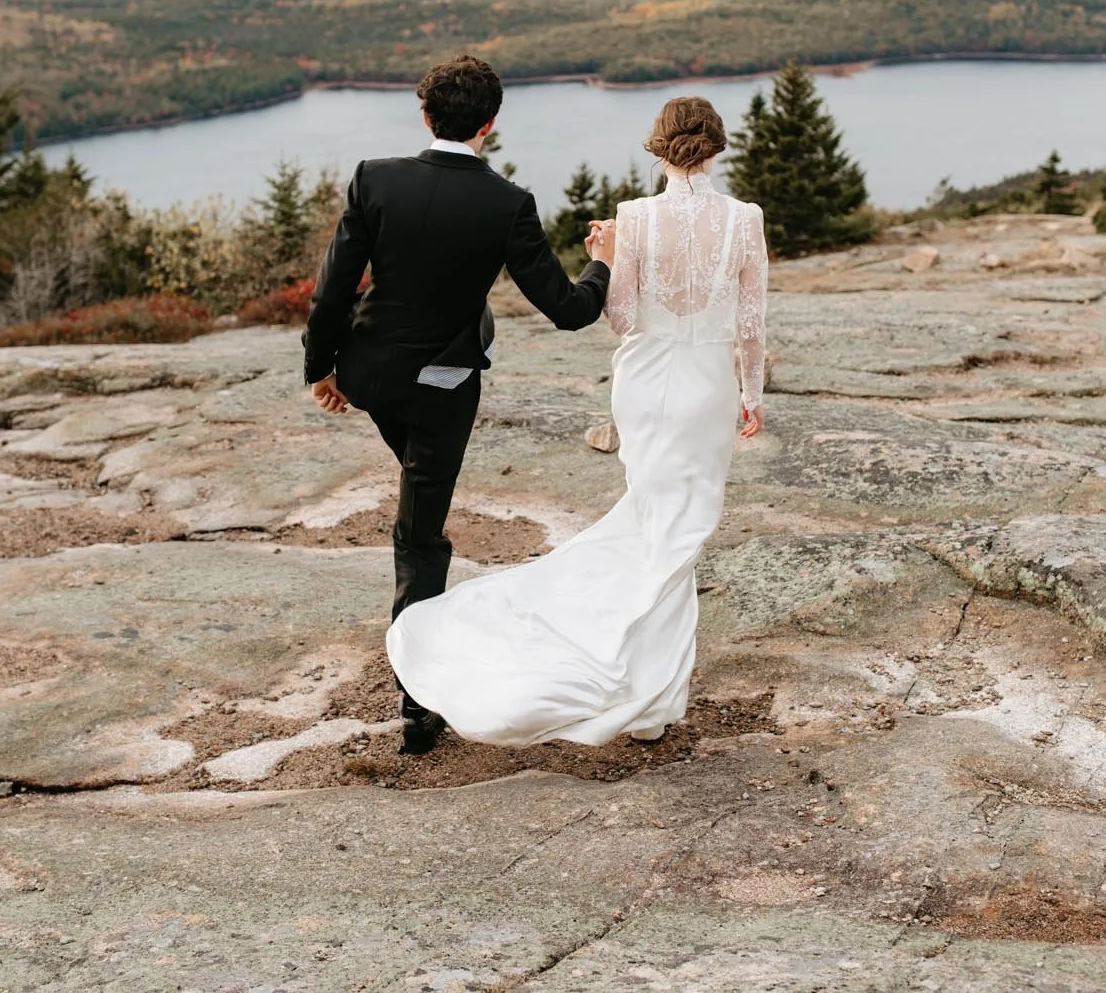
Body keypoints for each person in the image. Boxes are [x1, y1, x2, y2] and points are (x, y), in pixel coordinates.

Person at [386, 95, 767, 747]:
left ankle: (652, 694)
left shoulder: (634, 218)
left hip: (644, 382)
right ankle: (650, 700)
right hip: (706, 386)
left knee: (657, 521)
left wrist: (607, 255)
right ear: (717, 146)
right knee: (682, 530)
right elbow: (752, 323)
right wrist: (750, 394)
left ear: (660, 146)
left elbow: (619, 319)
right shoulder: (746, 218)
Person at [303, 54, 612, 755]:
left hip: (372, 378)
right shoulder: (507, 204)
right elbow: (567, 311)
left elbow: (333, 288)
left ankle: (425, 664)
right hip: (443, 388)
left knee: (419, 502)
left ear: (425, 115)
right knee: (420, 533)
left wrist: (324, 369)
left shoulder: (374, 178)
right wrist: (605, 263)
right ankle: (419, 702)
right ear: (490, 124)